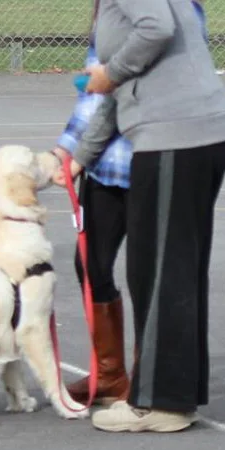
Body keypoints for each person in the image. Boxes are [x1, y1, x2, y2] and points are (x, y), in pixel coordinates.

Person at [80, 0, 225, 432]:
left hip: (177, 133)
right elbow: (124, 84)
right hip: (188, 131)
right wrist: (81, 155)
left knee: (160, 270)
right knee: (171, 268)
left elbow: (157, 28)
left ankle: (162, 402)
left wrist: (109, 73)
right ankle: (177, 394)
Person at [53, 41, 137, 405]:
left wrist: (77, 154)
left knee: (150, 275)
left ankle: (154, 378)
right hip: (106, 166)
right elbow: (92, 97)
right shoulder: (105, 20)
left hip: (153, 161)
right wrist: (65, 149)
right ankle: (110, 374)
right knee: (90, 264)